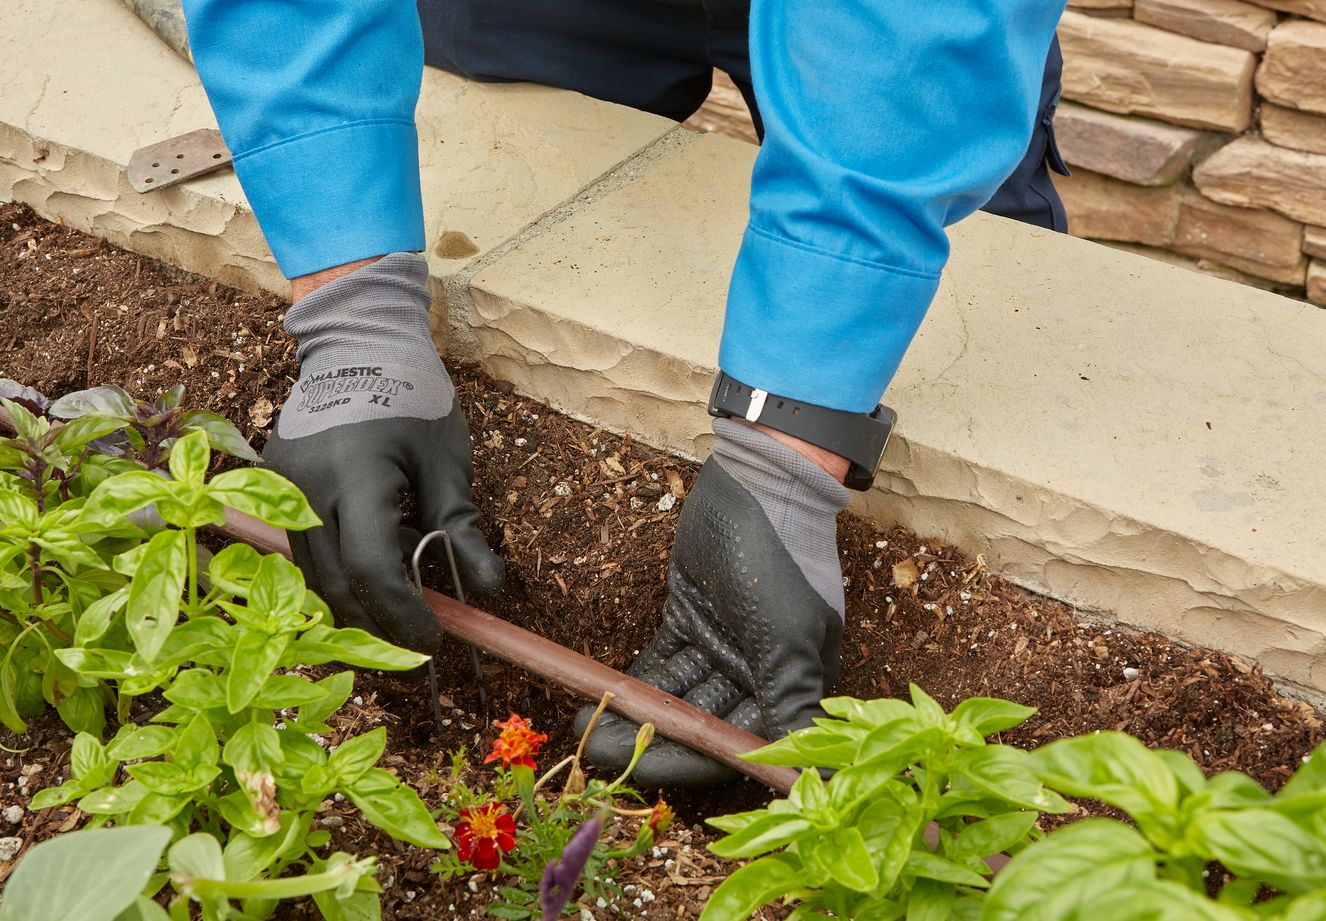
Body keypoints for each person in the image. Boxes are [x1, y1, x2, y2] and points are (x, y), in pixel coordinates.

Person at [182, 0, 1067, 786]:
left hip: (909, 40)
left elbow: (913, 38)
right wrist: (355, 314)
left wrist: (791, 441)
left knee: (975, 228)